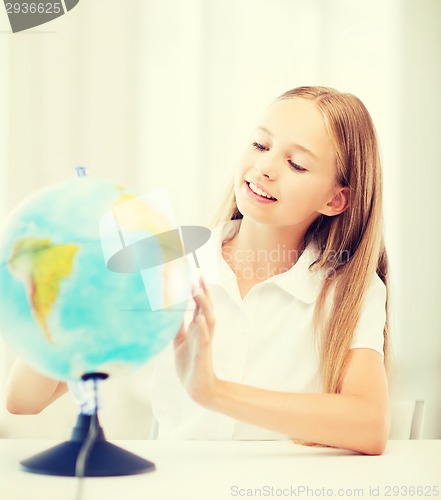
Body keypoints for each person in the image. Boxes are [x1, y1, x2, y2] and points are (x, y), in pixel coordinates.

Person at [6, 86, 390, 455]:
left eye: (296, 163)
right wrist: (78, 286)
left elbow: (370, 426)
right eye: (260, 144)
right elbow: (23, 400)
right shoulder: (168, 256)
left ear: (336, 199)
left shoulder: (347, 287)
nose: (265, 167)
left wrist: (213, 391)